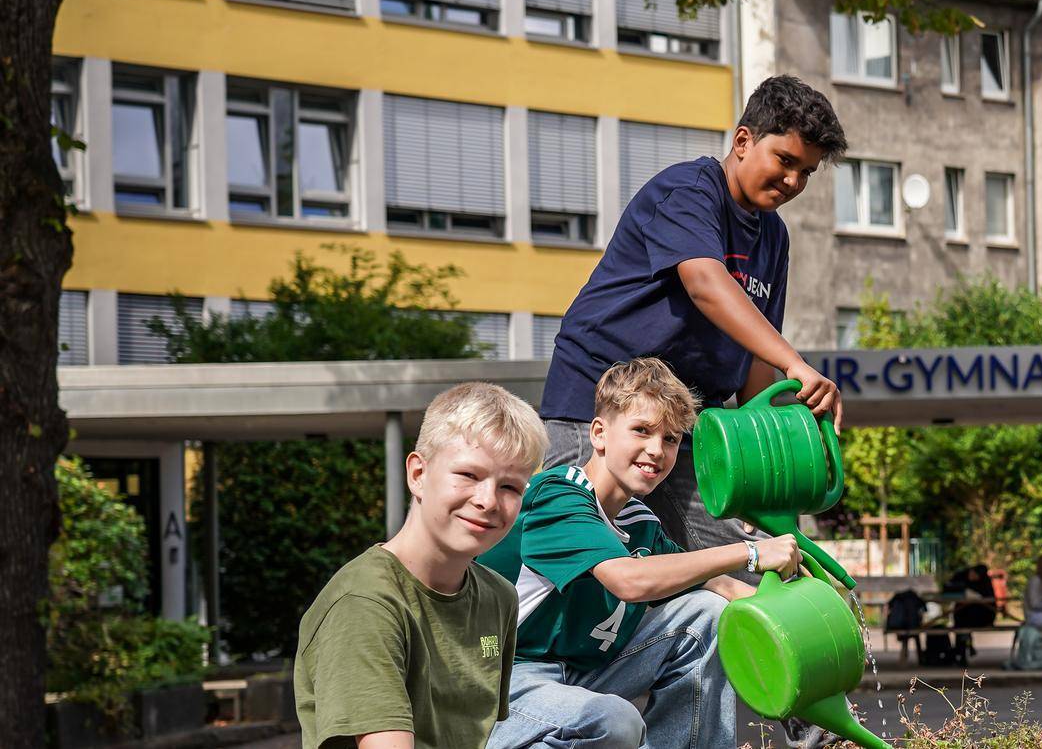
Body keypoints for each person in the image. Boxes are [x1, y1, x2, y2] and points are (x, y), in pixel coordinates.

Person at [539, 75, 849, 556]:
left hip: (683, 425)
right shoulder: (687, 191)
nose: (793, 182)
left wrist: (762, 455)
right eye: (785, 161)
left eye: (806, 172)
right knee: (583, 559)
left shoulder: (774, 237)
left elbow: (754, 361)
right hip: (598, 405)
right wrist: (798, 364)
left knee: (745, 557)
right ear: (743, 141)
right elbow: (705, 282)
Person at [483, 358, 805, 749]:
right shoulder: (559, 494)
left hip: (582, 677)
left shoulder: (641, 522)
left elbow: (717, 585)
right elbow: (629, 580)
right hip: (508, 683)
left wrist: (794, 608)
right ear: (599, 434)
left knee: (707, 613)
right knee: (613, 720)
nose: (657, 450)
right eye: (642, 431)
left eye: (670, 439)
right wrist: (749, 552)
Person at [295, 382, 548, 748]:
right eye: (469, 475)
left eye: (510, 486)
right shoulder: (365, 603)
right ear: (418, 474)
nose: (488, 501)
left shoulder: (499, 596)